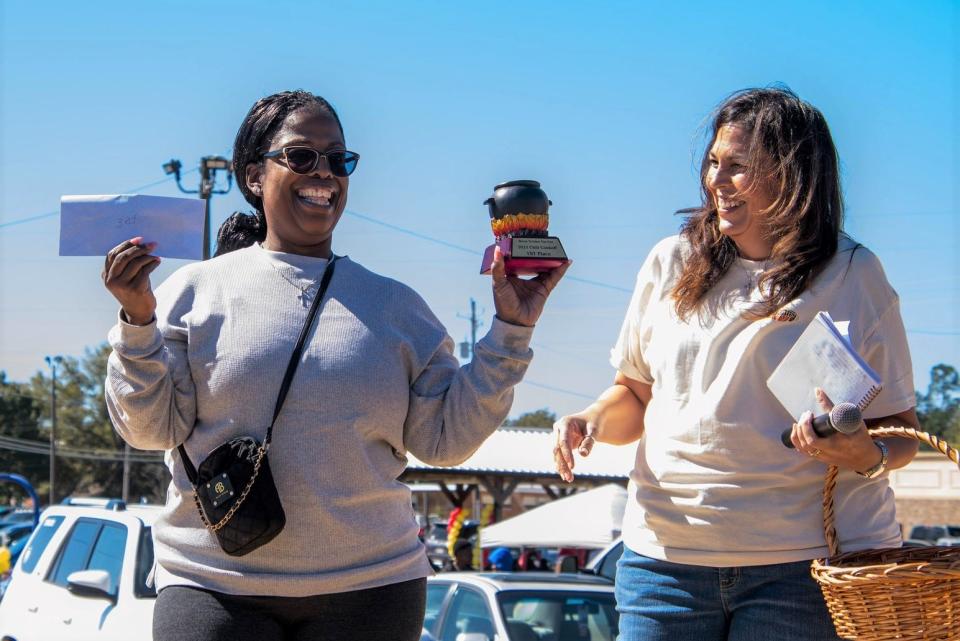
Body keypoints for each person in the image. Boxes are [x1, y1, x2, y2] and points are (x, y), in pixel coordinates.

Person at [102, 89, 569, 641]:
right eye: (300, 156)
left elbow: (446, 441)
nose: (322, 172)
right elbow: (150, 429)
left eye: (337, 159)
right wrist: (137, 321)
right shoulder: (195, 291)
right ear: (255, 176)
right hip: (213, 588)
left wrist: (513, 329)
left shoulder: (395, 306)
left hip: (371, 593)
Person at [552, 87, 920, 641]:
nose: (716, 181)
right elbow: (633, 393)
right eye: (713, 163)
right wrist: (590, 422)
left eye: (739, 167)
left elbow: (904, 437)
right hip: (662, 565)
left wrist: (863, 455)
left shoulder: (855, 274)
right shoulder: (668, 261)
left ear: (794, 175)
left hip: (805, 569)